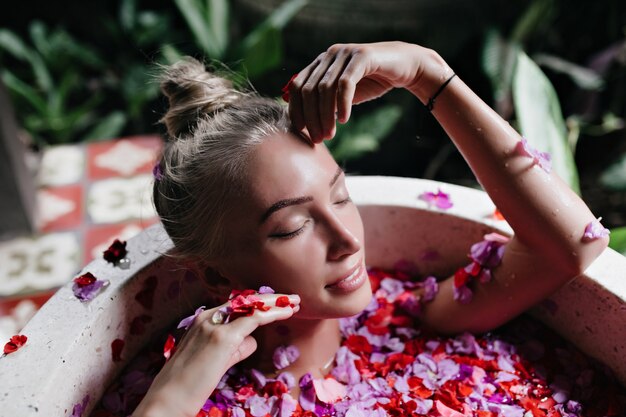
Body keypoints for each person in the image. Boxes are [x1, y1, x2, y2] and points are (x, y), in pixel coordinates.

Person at [133, 42, 609, 417]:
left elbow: (572, 245)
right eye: (294, 226)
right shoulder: (196, 399)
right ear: (216, 277)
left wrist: (428, 75)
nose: (349, 239)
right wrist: (170, 401)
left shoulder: (409, 320)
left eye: (341, 196)